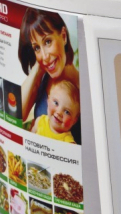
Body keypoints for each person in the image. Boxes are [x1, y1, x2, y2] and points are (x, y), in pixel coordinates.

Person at [18, 9, 81, 143]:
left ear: (63, 36)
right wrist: (38, 68)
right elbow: (16, 115)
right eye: (37, 48)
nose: (45, 56)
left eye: (47, 42)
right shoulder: (43, 77)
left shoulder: (83, 88)